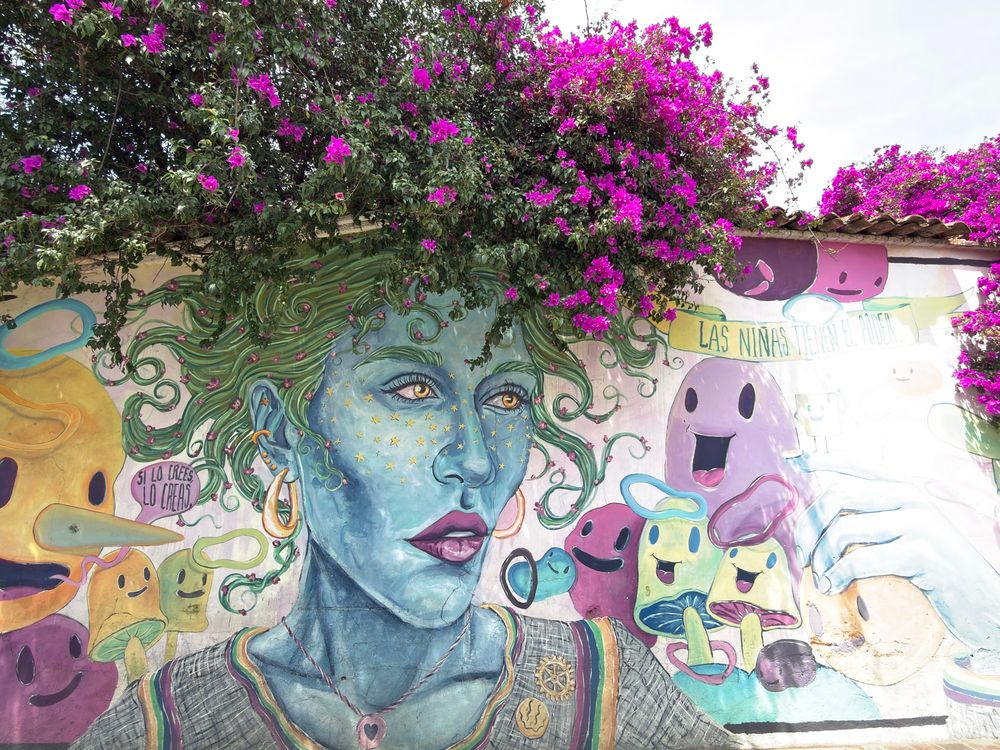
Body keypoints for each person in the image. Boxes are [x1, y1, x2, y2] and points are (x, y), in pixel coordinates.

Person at [73, 248, 736, 750]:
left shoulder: (604, 688)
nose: (475, 459)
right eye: (413, 390)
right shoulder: (175, 718)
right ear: (280, 426)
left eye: (506, 398)